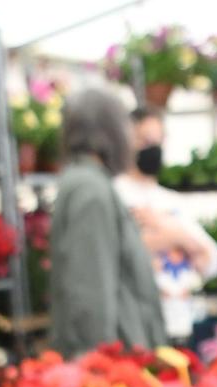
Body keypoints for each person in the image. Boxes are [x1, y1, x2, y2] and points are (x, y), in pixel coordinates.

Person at [50, 88, 165, 357]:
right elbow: (90, 293)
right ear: (110, 131)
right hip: (114, 364)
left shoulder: (89, 183)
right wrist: (102, 370)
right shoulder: (91, 191)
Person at [113, 107, 217, 344]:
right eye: (144, 140)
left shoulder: (172, 201)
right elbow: (120, 253)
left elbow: (211, 261)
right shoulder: (115, 194)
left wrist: (170, 232)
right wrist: (177, 238)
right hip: (137, 328)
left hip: (181, 323)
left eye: (158, 140)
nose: (152, 147)